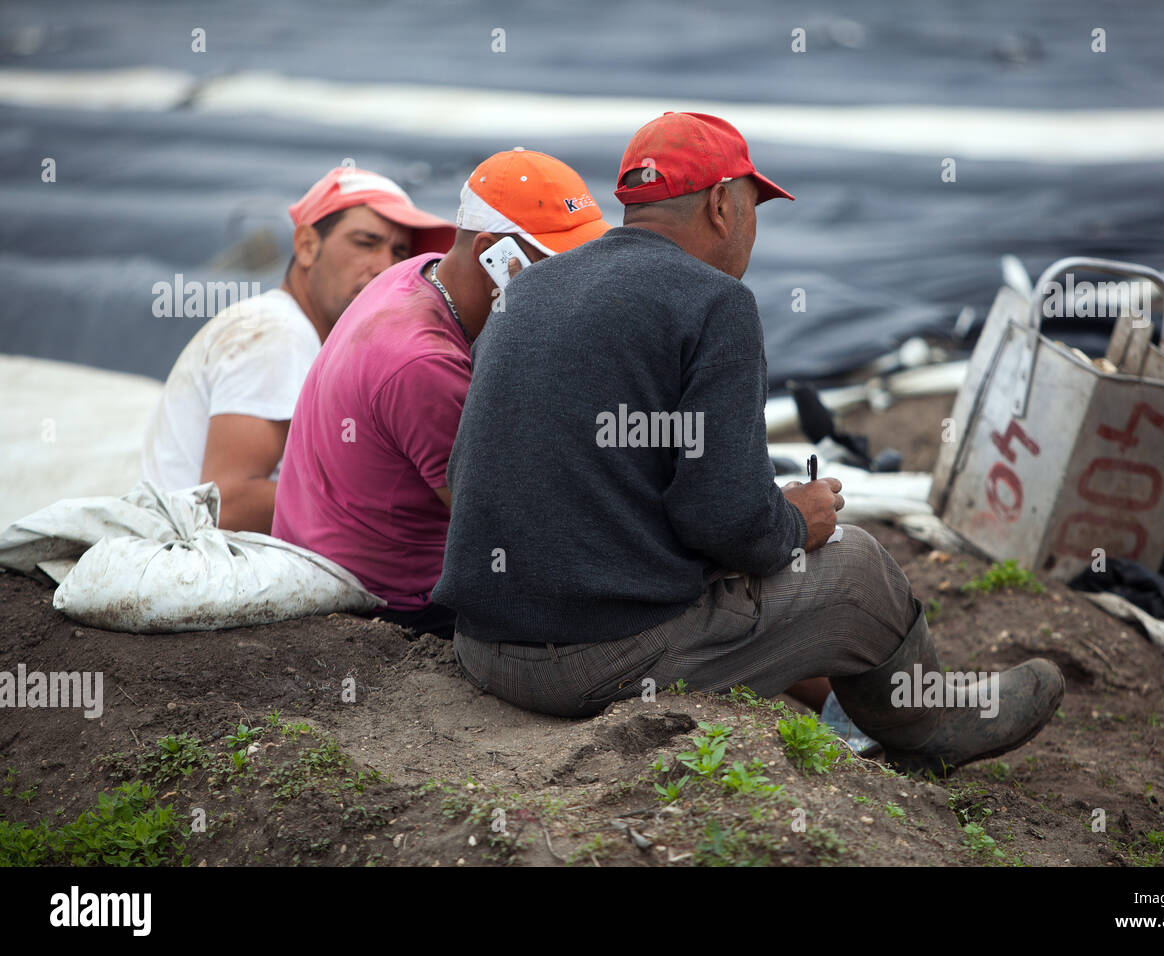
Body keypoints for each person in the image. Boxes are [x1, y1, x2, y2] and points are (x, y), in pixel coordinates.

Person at [433, 112, 1064, 776]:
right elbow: (725, 521)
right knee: (858, 568)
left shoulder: (532, 287)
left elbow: (491, 466)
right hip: (595, 666)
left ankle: (869, 724)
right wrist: (797, 519)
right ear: (721, 206)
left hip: (485, 652)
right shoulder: (716, 304)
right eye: (754, 206)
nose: (754, 229)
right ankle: (931, 728)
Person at [273, 149, 610, 639]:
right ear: (494, 255)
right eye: (556, 262)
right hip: (389, 605)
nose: (575, 280)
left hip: (325, 555)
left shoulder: (414, 274)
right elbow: (507, 522)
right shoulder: (425, 365)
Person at [140, 166, 455, 534]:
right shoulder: (276, 331)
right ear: (307, 246)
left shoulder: (309, 338)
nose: (385, 266)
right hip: (192, 565)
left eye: (400, 252)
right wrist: (379, 497)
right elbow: (229, 502)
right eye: (365, 243)